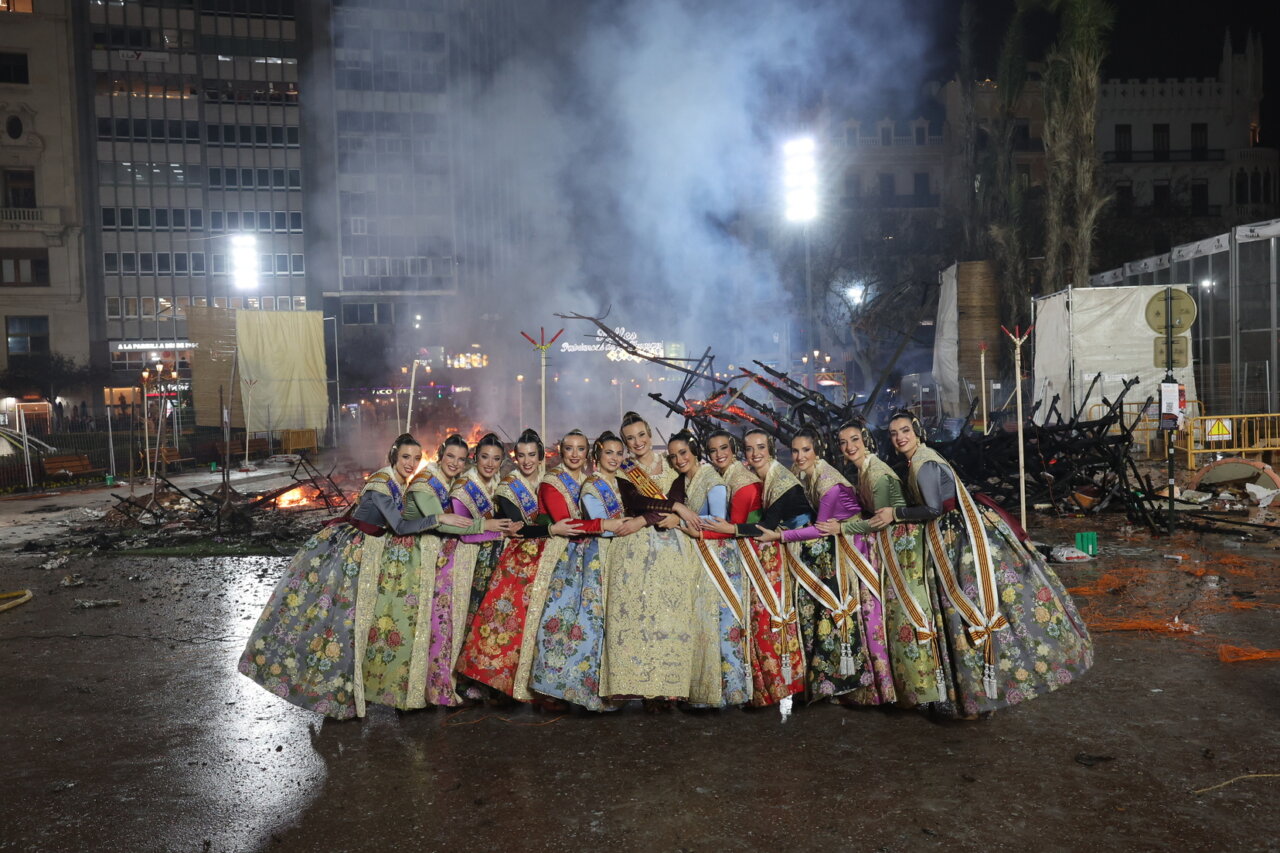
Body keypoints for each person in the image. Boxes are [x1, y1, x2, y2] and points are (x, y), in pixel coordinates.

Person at [870, 410, 1093, 717]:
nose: (900, 437)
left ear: (916, 431)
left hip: (957, 538)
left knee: (968, 612)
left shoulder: (923, 463)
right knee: (973, 612)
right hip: (961, 528)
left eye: (905, 430)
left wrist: (894, 515)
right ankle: (978, 695)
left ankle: (982, 695)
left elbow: (933, 508)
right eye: (894, 433)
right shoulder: (921, 457)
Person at [238, 433, 472, 719]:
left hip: (370, 550)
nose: (411, 464)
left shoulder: (399, 481)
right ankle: (328, 694)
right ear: (394, 456)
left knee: (358, 626)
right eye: (405, 457)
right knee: (339, 623)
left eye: (415, 458)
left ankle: (357, 691)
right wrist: (439, 519)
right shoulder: (382, 482)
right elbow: (398, 526)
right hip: (353, 551)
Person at [361, 434, 503, 711]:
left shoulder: (444, 480)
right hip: (412, 559)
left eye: (461, 460)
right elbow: (443, 526)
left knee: (429, 625)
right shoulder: (426, 483)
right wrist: (485, 526)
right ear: (440, 455)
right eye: (450, 457)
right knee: (414, 625)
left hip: (428, 556)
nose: (455, 463)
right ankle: (412, 691)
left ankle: (424, 688)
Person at [759, 427, 894, 705]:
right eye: (795, 451)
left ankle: (869, 687)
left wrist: (780, 536)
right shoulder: (806, 473)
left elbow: (820, 530)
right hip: (840, 542)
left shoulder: (828, 482)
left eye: (805, 450)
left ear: (816, 450)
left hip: (857, 546)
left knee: (861, 616)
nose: (799, 456)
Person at [817, 419, 943, 707]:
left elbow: (878, 522)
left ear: (867, 442)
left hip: (904, 546)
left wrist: (843, 529)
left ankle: (925, 691)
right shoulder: (864, 470)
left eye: (855, 441)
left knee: (908, 614)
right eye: (843, 443)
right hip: (893, 543)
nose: (849, 447)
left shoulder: (876, 474)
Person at [456, 429, 580, 699]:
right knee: (507, 624)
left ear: (540, 455)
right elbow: (519, 530)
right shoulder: (507, 487)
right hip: (517, 558)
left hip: (551, 552)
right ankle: (499, 685)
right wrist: (551, 529)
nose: (527, 461)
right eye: (521, 456)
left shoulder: (551, 480)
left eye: (532, 455)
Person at [601, 414, 713, 707]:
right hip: (635, 548)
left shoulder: (669, 463)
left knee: (669, 614)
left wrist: (652, 517)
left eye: (641, 435)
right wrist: (667, 510)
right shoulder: (626, 469)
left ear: (650, 434)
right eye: (630, 439)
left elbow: (673, 496)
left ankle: (669, 686)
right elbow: (636, 501)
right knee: (639, 615)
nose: (637, 443)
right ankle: (643, 687)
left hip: (670, 546)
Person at [529, 430, 636, 710]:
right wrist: (604, 525)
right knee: (564, 622)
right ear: (560, 451)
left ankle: (597, 686)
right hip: (564, 555)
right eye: (568, 449)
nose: (574, 455)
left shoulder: (594, 480)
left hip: (593, 553)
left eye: (580, 449)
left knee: (596, 623)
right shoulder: (553, 482)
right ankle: (554, 689)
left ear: (588, 453)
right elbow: (565, 523)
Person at [702, 428, 805, 713]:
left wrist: (731, 529)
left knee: (770, 620)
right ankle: (774, 687)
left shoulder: (767, 480)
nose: (755, 453)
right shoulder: (752, 475)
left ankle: (781, 687)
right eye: (750, 448)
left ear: (770, 448)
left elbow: (767, 525)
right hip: (772, 548)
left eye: (760, 447)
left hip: (789, 550)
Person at [667, 429, 749, 707]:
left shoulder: (711, 480)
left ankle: (727, 692)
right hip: (699, 556)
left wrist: (678, 522)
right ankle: (702, 691)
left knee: (720, 624)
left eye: (683, 453)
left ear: (694, 452)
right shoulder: (687, 480)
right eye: (673, 456)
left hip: (718, 556)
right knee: (702, 625)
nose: (679, 459)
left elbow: (717, 521)